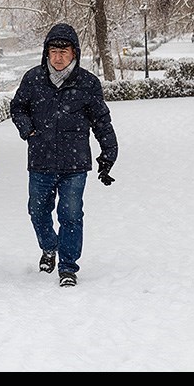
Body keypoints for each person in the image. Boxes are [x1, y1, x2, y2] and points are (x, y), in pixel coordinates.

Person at [10, 22, 118, 287]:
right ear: (46, 52)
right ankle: (49, 247)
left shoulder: (88, 83)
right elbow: (17, 107)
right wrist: (28, 131)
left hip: (75, 163)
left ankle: (68, 267)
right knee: (37, 211)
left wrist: (109, 152)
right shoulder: (33, 79)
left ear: (74, 53)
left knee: (70, 215)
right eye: (53, 51)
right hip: (40, 160)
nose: (58, 57)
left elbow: (101, 120)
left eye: (64, 51)